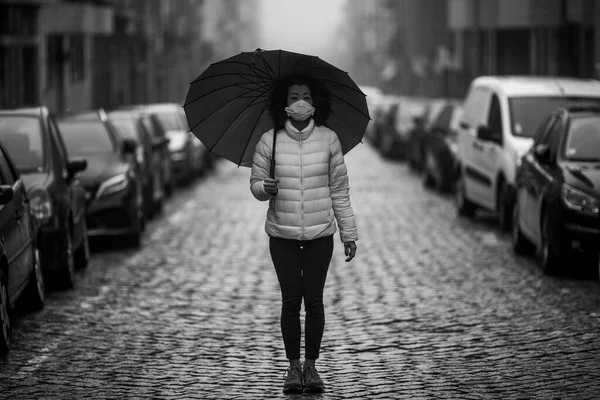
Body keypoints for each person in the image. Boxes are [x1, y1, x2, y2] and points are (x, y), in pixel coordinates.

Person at [250, 75, 358, 394]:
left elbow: (340, 191)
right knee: (289, 301)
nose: (301, 102)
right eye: (295, 95)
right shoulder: (269, 141)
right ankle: (292, 368)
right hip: (281, 235)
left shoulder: (329, 139)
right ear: (284, 102)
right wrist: (263, 188)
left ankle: (311, 368)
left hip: (320, 235)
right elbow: (256, 184)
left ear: (315, 103)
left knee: (314, 301)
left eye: (307, 96)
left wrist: (348, 233)